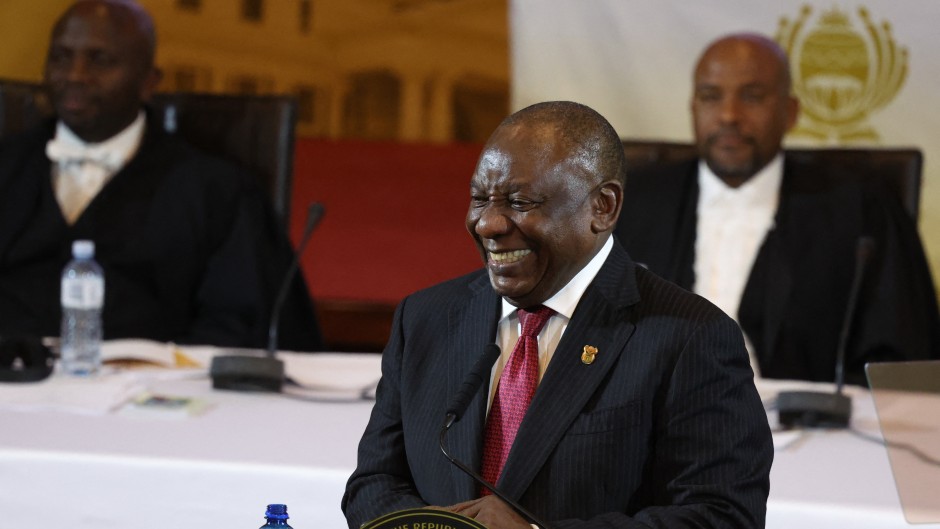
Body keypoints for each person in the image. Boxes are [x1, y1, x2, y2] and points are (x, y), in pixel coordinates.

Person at [343, 101, 772, 529]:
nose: (488, 223)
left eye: (520, 201)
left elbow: (723, 517)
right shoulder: (424, 318)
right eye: (479, 198)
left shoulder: (691, 338)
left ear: (602, 207)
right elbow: (375, 482)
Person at [615, 33, 940, 385]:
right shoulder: (630, 202)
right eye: (711, 97)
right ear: (693, 107)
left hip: (807, 428)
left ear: (791, 112)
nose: (728, 115)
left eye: (752, 97)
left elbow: (903, 362)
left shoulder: (862, 210)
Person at [0, 0, 322, 351]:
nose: (75, 75)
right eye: (60, 57)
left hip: (157, 394)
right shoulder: (7, 165)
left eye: (100, 60)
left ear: (148, 82)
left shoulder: (217, 192)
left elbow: (242, 329)